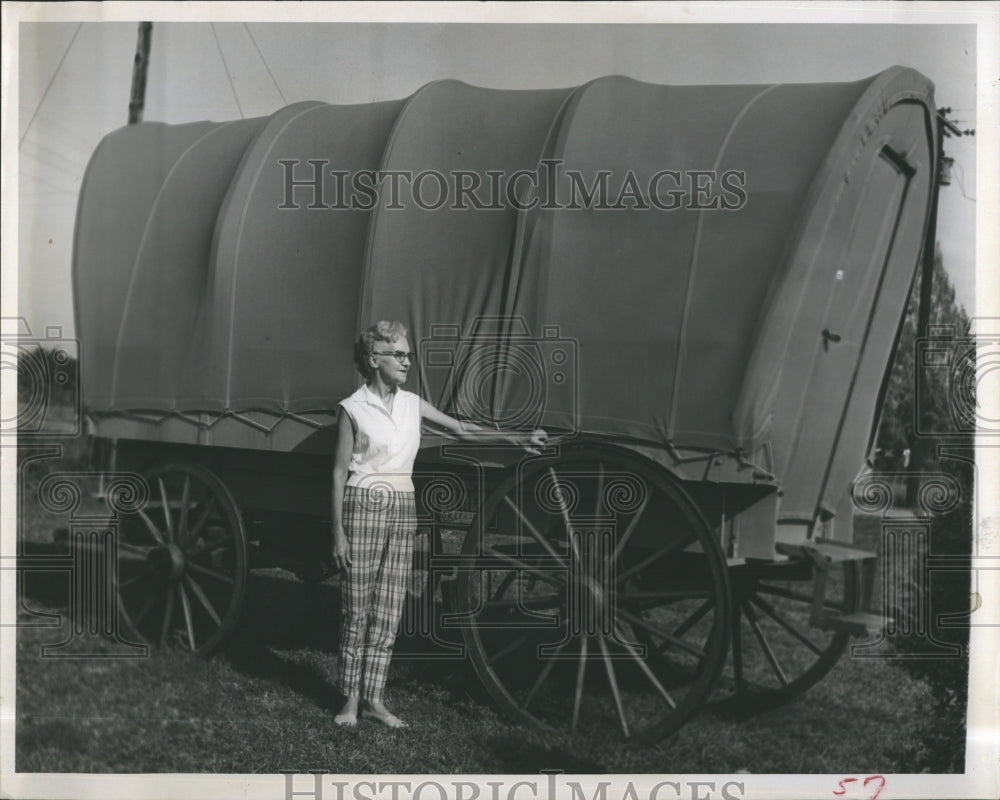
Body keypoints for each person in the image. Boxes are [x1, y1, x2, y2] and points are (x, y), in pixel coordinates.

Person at [330, 320, 547, 728]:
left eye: (409, 354)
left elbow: (461, 430)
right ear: (374, 358)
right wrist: (338, 532)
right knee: (356, 609)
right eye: (399, 354)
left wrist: (516, 439)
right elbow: (339, 472)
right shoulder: (352, 408)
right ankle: (349, 701)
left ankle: (375, 699)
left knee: (390, 607)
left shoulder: (413, 404)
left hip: (403, 507)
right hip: (362, 506)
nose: (407, 361)